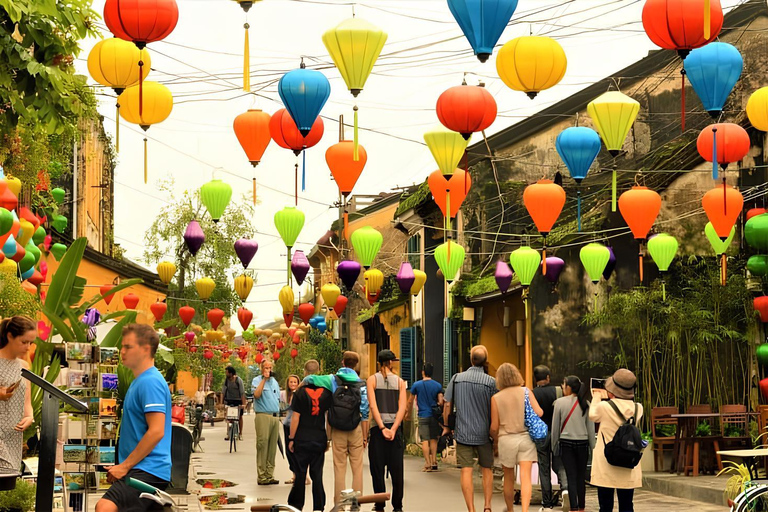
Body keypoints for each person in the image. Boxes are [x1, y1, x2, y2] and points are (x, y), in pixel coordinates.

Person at [96, 324, 172, 512]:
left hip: (149, 469)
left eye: (128, 347)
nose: (122, 351)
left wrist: (124, 466)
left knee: (104, 507)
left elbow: (156, 431)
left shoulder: (150, 382)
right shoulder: (140, 381)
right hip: (141, 469)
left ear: (146, 349)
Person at [304, 351, 370, 505]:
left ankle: (339, 504)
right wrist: (365, 436)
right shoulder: (361, 384)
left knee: (339, 467)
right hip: (356, 429)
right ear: (356, 365)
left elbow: (308, 379)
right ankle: (355, 502)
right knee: (357, 467)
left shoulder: (331, 379)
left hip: (337, 428)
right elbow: (365, 412)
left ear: (342, 362)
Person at [443, 345, 496, 512]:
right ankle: (487, 506)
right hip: (484, 433)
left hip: (463, 432)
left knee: (466, 470)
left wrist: (446, 425)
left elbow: (447, 404)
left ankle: (471, 509)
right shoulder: (491, 382)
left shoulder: (457, 378)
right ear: (485, 361)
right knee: (486, 469)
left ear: (471, 360)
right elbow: (496, 407)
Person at [490, 363, 542, 512]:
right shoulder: (526, 392)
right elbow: (539, 412)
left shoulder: (496, 398)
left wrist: (495, 439)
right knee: (526, 478)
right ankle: (525, 510)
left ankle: (511, 509)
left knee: (508, 478)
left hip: (506, 440)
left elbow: (494, 426)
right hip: (526, 438)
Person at [589, 369, 643, 512]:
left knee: (605, 506)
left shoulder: (604, 407)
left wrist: (596, 396)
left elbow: (592, 415)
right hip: (628, 461)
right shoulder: (639, 408)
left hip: (607, 462)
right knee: (627, 505)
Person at [288, 360, 334, 512]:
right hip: (319, 438)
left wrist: (291, 438)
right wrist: (328, 438)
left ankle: (296, 506)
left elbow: (296, 417)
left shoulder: (299, 393)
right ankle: (318, 506)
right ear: (319, 370)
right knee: (317, 474)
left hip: (302, 439)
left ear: (304, 372)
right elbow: (328, 418)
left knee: (301, 474)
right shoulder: (326, 393)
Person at [367, 349, 407, 512]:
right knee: (396, 469)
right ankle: (397, 506)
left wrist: (382, 427)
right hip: (394, 430)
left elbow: (372, 405)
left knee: (377, 469)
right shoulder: (400, 382)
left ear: (379, 363)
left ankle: (380, 502)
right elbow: (402, 407)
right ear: (391, 363)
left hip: (378, 430)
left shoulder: (372, 380)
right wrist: (393, 428)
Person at [551, 376, 595, 512]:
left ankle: (574, 508)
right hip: (583, 444)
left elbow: (555, 427)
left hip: (566, 443)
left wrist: (554, 446)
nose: (563, 388)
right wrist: (593, 448)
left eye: (564, 385)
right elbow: (591, 429)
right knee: (581, 477)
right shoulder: (586, 404)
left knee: (571, 476)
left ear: (569, 387)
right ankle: (582, 507)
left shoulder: (559, 403)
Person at [532, 365, 568, 512]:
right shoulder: (559, 391)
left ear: (535, 379)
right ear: (548, 378)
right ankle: (565, 489)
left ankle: (547, 504)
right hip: (557, 433)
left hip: (540, 434)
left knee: (544, 467)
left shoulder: (532, 394)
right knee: (560, 463)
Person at [0, 317, 34, 472]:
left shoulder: (24, 367)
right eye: (24, 342)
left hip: (13, 433)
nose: (28, 348)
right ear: (10, 336)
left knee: (9, 479)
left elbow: (27, 401)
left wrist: (29, 416)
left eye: (30, 343)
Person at [407, 362, 444, 472]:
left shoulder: (416, 385)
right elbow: (441, 402)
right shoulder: (437, 385)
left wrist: (408, 414)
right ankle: (434, 461)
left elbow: (410, 401)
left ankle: (427, 463)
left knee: (425, 440)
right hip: (433, 415)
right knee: (433, 439)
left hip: (423, 415)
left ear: (423, 372)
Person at [251, 359, 281, 485]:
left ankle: (269, 474)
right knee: (262, 445)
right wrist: (264, 379)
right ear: (262, 369)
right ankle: (262, 475)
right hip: (263, 415)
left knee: (272, 447)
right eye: (266, 368)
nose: (269, 370)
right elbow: (257, 395)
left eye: (270, 368)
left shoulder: (274, 382)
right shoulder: (257, 380)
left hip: (275, 416)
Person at [280, 374, 301, 485]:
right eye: (291, 382)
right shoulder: (284, 395)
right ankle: (294, 474)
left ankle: (300, 476)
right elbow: (282, 407)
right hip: (287, 424)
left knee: (296, 450)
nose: (293, 384)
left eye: (295, 382)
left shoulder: (300, 394)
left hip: (297, 425)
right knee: (289, 452)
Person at [221, 365, 245, 441]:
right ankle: (228, 433)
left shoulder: (238, 380)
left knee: (240, 417)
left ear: (231, 373)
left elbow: (242, 393)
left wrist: (243, 404)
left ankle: (240, 434)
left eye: (227, 372)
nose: (226, 374)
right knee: (229, 418)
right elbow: (223, 392)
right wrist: (221, 403)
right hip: (229, 400)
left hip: (238, 401)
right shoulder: (226, 381)